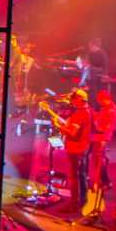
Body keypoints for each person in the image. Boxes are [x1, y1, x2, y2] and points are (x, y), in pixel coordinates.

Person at [44, 89, 93, 218]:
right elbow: (73, 128)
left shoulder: (80, 114)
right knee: (81, 176)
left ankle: (73, 204)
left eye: (74, 99)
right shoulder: (88, 111)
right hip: (83, 148)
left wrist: (58, 126)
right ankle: (81, 201)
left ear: (80, 100)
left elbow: (72, 133)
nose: (71, 101)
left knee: (73, 177)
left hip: (76, 149)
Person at [90, 89, 116, 201]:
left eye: (99, 100)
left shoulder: (111, 110)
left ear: (104, 99)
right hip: (99, 137)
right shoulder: (107, 108)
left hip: (101, 138)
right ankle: (104, 181)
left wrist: (95, 120)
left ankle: (99, 183)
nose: (98, 102)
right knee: (98, 161)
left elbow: (105, 127)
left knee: (98, 161)